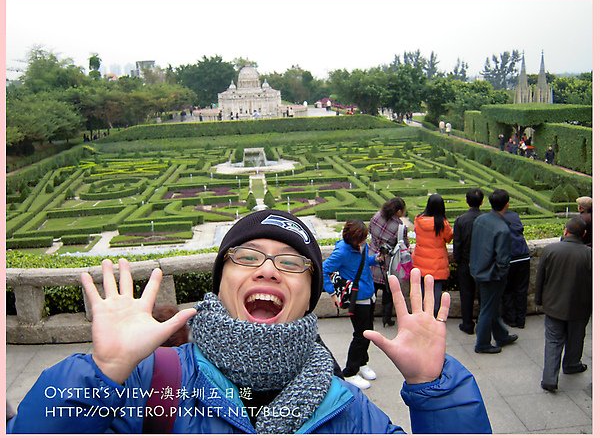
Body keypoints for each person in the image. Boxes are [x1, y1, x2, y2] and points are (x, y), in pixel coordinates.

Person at [8, 210, 492, 434]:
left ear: (309, 299)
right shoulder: (149, 382)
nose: (266, 269)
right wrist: (102, 370)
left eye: (291, 262)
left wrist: (437, 390)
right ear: (219, 283)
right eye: (247, 255)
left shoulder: (350, 414)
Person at [535, 217, 591, 392]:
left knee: (553, 341)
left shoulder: (550, 250)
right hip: (579, 306)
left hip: (554, 305)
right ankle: (572, 364)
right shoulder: (590, 254)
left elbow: (540, 278)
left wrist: (538, 300)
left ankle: (550, 378)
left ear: (565, 231)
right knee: (576, 337)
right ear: (584, 234)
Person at [323, 220, 379, 390]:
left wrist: (375, 259)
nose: (365, 241)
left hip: (369, 293)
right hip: (357, 298)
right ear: (353, 239)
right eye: (362, 238)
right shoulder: (342, 252)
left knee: (368, 332)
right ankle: (350, 371)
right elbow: (324, 269)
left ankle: (362, 362)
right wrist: (332, 293)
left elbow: (363, 263)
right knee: (361, 335)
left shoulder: (361, 246)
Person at [469, 189, 518, 354]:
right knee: (488, 308)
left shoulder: (480, 219)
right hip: (491, 275)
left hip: (478, 269)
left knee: (491, 305)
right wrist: (501, 274)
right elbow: (503, 259)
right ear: (507, 204)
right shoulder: (502, 229)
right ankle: (482, 343)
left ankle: (501, 335)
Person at [368, 197, 409, 327]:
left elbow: (369, 231)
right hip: (387, 263)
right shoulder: (400, 227)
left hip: (372, 258)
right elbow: (404, 245)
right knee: (388, 291)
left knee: (371, 290)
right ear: (398, 211)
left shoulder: (376, 216)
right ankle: (386, 318)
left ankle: (369, 315)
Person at [412, 194, 453, 316]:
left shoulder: (418, 220)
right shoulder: (442, 224)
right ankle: (433, 314)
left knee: (423, 289)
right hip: (437, 262)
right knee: (436, 290)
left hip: (420, 260)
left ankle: (423, 314)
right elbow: (449, 238)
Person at [453, 188, 484, 335]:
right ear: (482, 202)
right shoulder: (486, 219)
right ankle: (482, 322)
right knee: (483, 294)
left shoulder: (461, 220)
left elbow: (457, 244)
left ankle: (467, 324)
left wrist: (458, 261)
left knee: (466, 294)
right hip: (483, 262)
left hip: (465, 262)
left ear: (467, 201)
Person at [501, 210, 530, 329]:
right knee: (521, 290)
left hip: (509, 257)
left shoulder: (496, 218)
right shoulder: (514, 215)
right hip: (523, 255)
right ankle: (521, 320)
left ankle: (511, 318)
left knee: (507, 290)